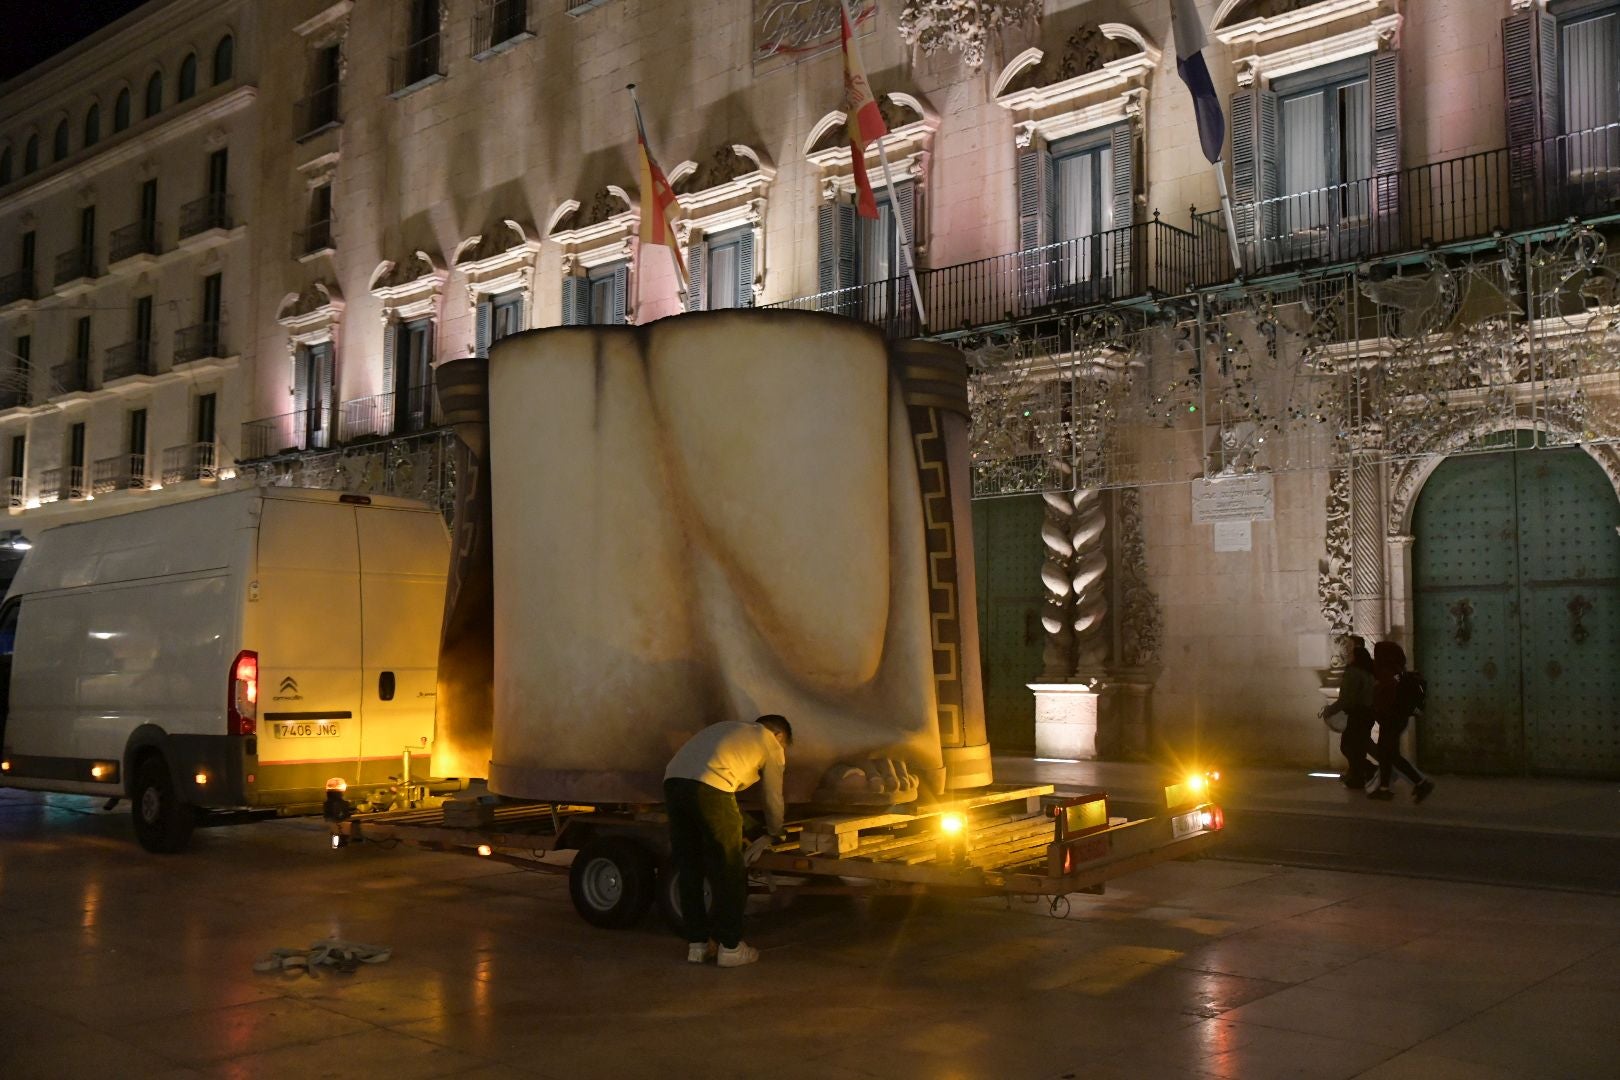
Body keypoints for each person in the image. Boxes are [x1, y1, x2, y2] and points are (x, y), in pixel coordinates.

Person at [663, 714, 792, 968]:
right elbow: (772, 795)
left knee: (689, 866)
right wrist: (776, 830)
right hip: (711, 786)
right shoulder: (770, 741)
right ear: (779, 736)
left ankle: (698, 945)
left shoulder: (728, 728)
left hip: (673, 784)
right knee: (729, 868)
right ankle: (731, 947)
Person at [1368, 641, 1435, 804]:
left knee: (1390, 754)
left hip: (1390, 718)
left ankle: (1421, 783)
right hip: (1397, 719)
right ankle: (1385, 788)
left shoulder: (1386, 672)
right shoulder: (1399, 670)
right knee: (1387, 754)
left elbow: (1384, 696)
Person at [1322, 635, 1377, 789]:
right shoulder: (1368, 671)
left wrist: (1330, 710)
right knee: (1358, 746)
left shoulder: (1353, 672)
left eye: (1350, 651)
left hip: (1357, 714)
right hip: (1367, 713)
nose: (1347, 653)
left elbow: (1347, 698)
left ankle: (1370, 771)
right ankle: (1359, 775)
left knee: (1348, 746)